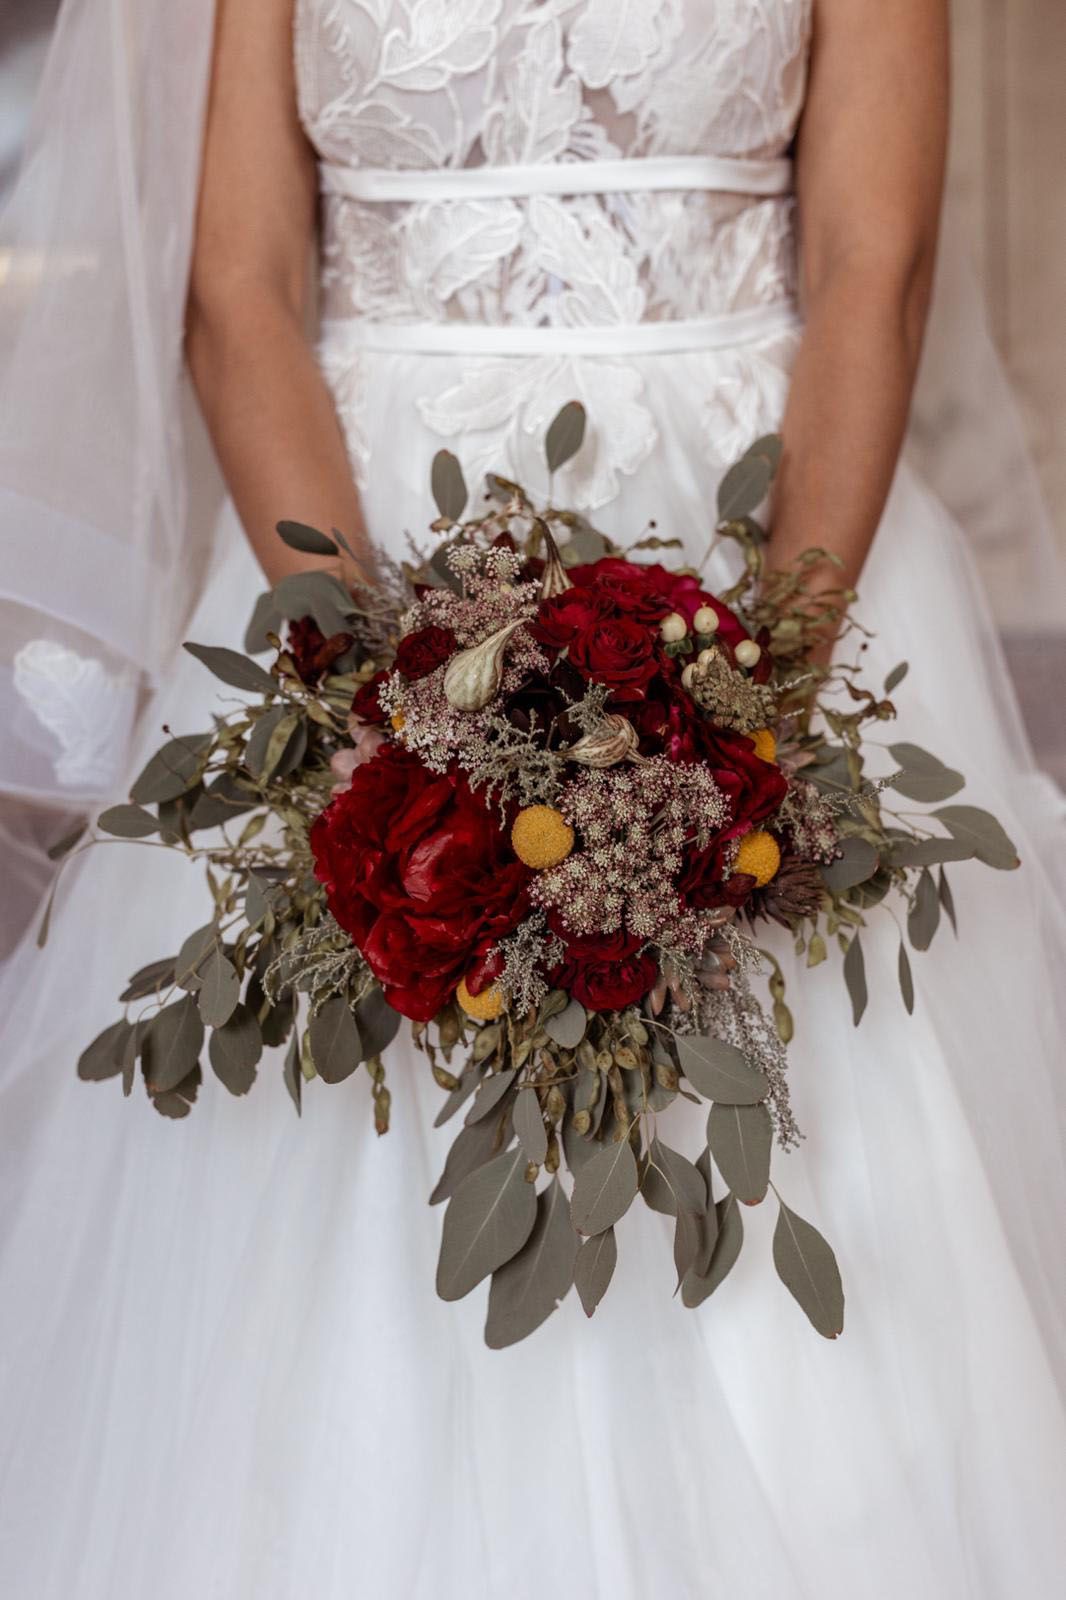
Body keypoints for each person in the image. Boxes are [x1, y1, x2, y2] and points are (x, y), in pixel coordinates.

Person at [1, 2, 1065, 1595]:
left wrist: (743, 714)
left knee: (815, 1149)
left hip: (761, 559)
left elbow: (871, 264)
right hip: (351, 553)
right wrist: (393, 729)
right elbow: (240, 290)